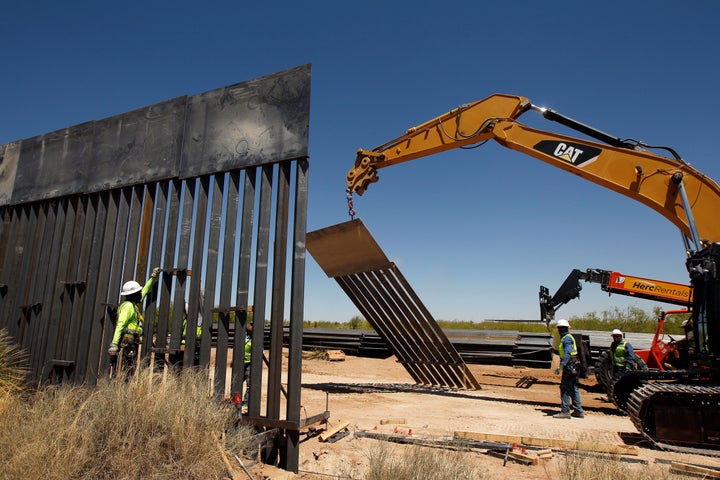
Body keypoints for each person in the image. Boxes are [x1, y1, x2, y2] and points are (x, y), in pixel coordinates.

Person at [108, 267, 160, 375]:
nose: (140, 293)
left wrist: (153, 277)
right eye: (138, 292)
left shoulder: (134, 305)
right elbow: (120, 325)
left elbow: (145, 291)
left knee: (129, 369)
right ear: (133, 294)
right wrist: (114, 344)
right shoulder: (128, 307)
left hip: (131, 342)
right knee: (125, 370)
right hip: (126, 342)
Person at [553, 318, 584, 419]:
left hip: (569, 366)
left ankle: (565, 411)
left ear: (563, 329)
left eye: (560, 328)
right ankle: (578, 410)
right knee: (574, 387)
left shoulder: (567, 339)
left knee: (565, 388)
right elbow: (565, 352)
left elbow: (567, 353)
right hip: (573, 365)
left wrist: (561, 366)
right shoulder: (566, 338)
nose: (559, 330)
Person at [241, 321, 253, 413]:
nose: (251, 327)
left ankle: (246, 402)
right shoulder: (243, 335)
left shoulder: (256, 337)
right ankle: (235, 400)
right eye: (251, 325)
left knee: (250, 385)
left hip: (250, 364)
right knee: (236, 383)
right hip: (241, 363)